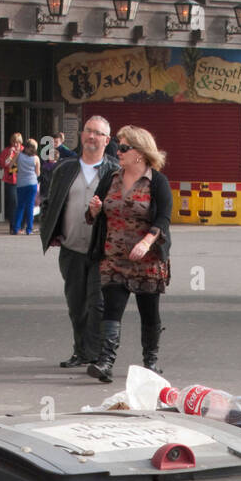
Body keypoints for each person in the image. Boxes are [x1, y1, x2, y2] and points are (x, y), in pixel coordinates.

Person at [85, 125, 172, 383]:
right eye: (118, 147)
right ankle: (105, 362)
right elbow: (93, 216)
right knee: (112, 308)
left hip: (147, 259)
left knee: (149, 310)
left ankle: (150, 362)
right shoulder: (110, 178)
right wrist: (93, 210)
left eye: (123, 148)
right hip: (113, 256)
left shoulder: (157, 181)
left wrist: (146, 242)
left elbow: (164, 218)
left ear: (140, 153)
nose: (118, 152)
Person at [39, 116, 119, 369]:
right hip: (71, 246)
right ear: (82, 136)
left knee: (97, 303)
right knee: (76, 304)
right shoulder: (65, 169)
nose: (92, 137)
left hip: (102, 250)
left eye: (98, 133)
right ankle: (81, 351)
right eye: (88, 132)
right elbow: (50, 202)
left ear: (107, 140)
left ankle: (94, 353)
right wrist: (50, 231)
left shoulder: (115, 171)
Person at [13, 138, 40, 235]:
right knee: (30, 207)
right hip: (32, 183)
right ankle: (29, 229)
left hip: (21, 183)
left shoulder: (19, 155)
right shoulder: (36, 158)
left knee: (20, 206)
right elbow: (38, 173)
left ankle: (16, 228)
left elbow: (11, 164)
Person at [0, 132, 22, 232]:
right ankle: (13, 225)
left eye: (17, 142)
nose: (15, 144)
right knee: (13, 202)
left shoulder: (24, 151)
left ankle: (21, 225)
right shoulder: (7, 151)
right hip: (10, 180)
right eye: (14, 142)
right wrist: (9, 155)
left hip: (22, 180)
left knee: (21, 203)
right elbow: (3, 164)